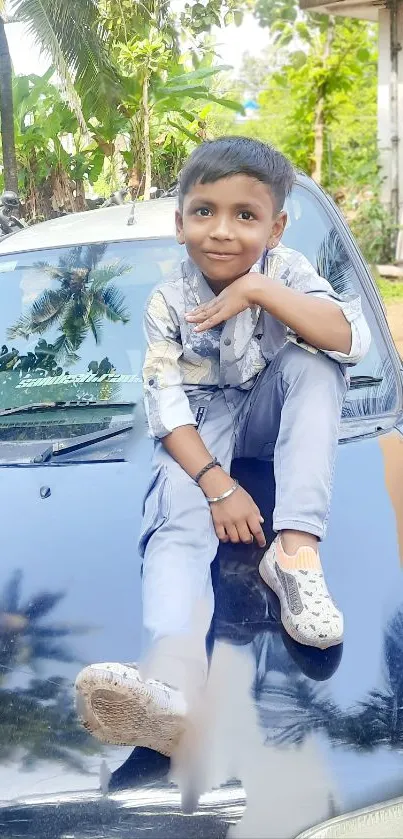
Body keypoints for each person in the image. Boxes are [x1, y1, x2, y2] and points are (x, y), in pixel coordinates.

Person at [75, 137, 371, 757]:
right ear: (179, 221)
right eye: (204, 211)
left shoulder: (287, 271)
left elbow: (350, 338)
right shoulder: (167, 303)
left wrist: (259, 293)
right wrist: (218, 486)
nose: (223, 232)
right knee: (176, 523)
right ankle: (172, 691)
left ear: (276, 226)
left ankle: (294, 555)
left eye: (246, 215)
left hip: (271, 410)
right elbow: (167, 407)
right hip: (202, 426)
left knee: (317, 365)